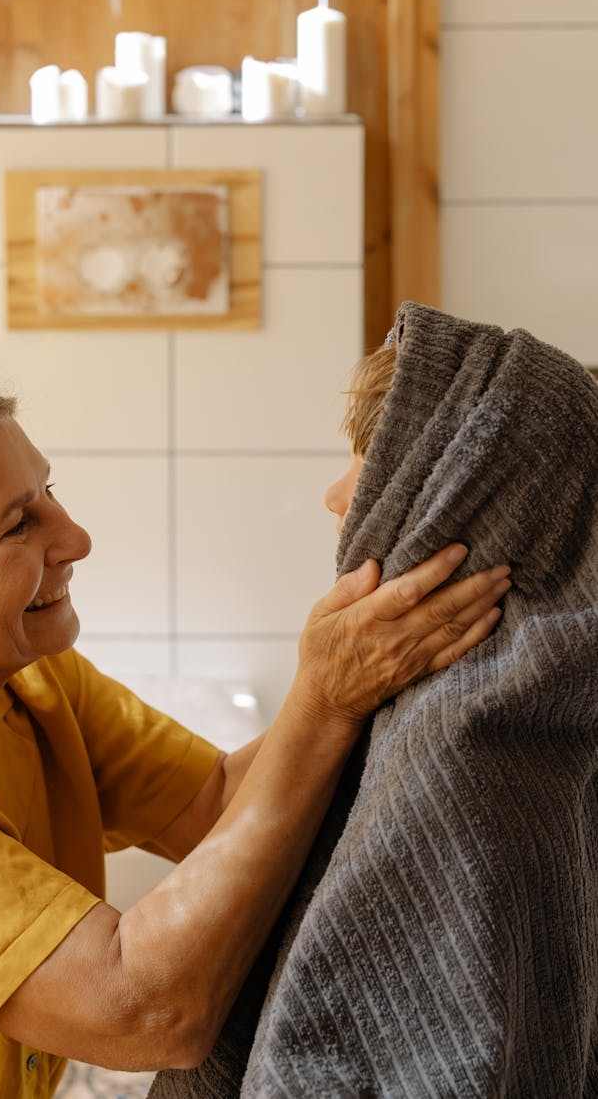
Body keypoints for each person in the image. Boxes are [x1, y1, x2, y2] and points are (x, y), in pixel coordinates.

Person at [0, 372, 510, 1098]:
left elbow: (219, 802)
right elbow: (140, 1011)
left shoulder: (32, 681)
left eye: (49, 492)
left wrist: (378, 669)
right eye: (16, 524)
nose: (76, 537)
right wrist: (326, 695)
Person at [148, 301, 598, 1099]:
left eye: (370, 459)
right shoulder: (553, 711)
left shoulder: (459, 757)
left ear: (455, 496)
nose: (334, 494)